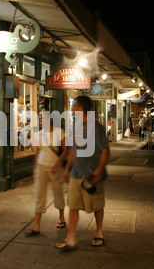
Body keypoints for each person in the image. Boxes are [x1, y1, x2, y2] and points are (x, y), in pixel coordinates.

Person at [56, 96, 109, 251]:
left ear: (81, 108)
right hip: (76, 173)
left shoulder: (95, 127)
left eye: (74, 106)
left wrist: (98, 171)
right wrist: (67, 168)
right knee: (72, 205)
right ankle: (70, 238)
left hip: (92, 175)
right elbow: (74, 150)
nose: (73, 108)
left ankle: (99, 232)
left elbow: (105, 151)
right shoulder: (76, 126)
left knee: (97, 205)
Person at [24, 116, 69, 236]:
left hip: (55, 167)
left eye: (42, 118)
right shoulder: (38, 134)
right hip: (41, 166)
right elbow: (37, 152)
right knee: (39, 194)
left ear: (50, 119)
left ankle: (61, 218)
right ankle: (37, 225)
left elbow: (66, 150)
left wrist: (57, 164)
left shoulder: (59, 132)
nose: (40, 120)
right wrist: (35, 167)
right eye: (39, 119)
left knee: (57, 192)